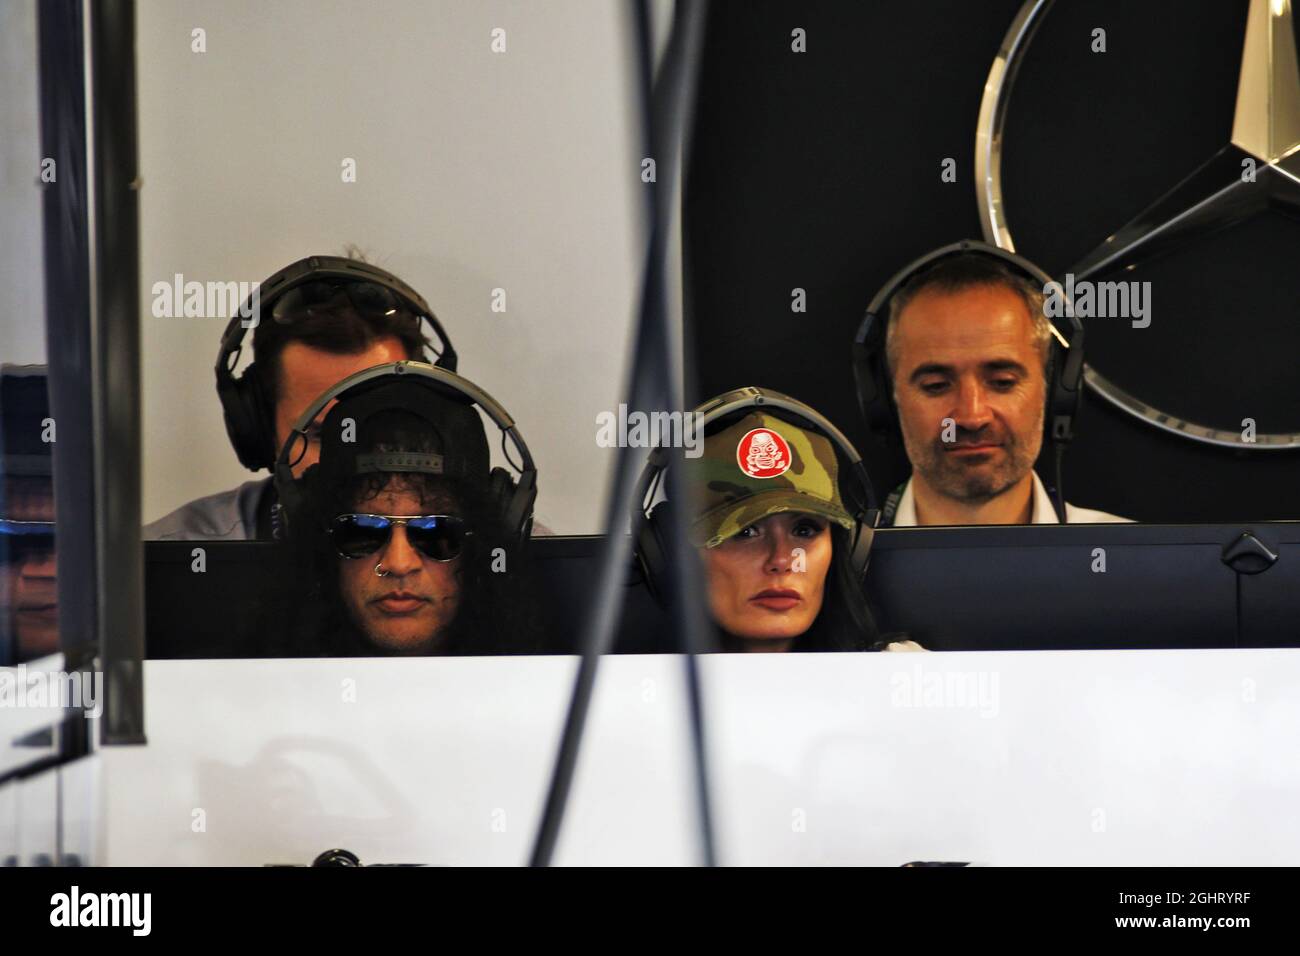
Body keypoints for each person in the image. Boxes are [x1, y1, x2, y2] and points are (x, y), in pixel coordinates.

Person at [144, 255, 446, 541]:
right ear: (261, 432)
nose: (352, 461)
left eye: (378, 428)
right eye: (320, 434)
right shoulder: (153, 574)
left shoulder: (476, 562)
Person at [256, 371, 541, 657]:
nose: (398, 563)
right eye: (361, 531)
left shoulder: (556, 679)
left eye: (436, 531)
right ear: (320, 542)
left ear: (484, 544)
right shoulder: (251, 685)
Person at [638, 396, 921, 653]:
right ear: (672, 555)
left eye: (804, 530)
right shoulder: (624, 693)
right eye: (744, 531)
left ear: (848, 550)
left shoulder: (899, 677)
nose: (783, 559)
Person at [877, 252, 1128, 526]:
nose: (972, 418)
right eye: (936, 386)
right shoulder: (832, 565)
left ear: (1053, 391)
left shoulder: (1135, 562)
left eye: (1002, 383)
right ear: (891, 400)